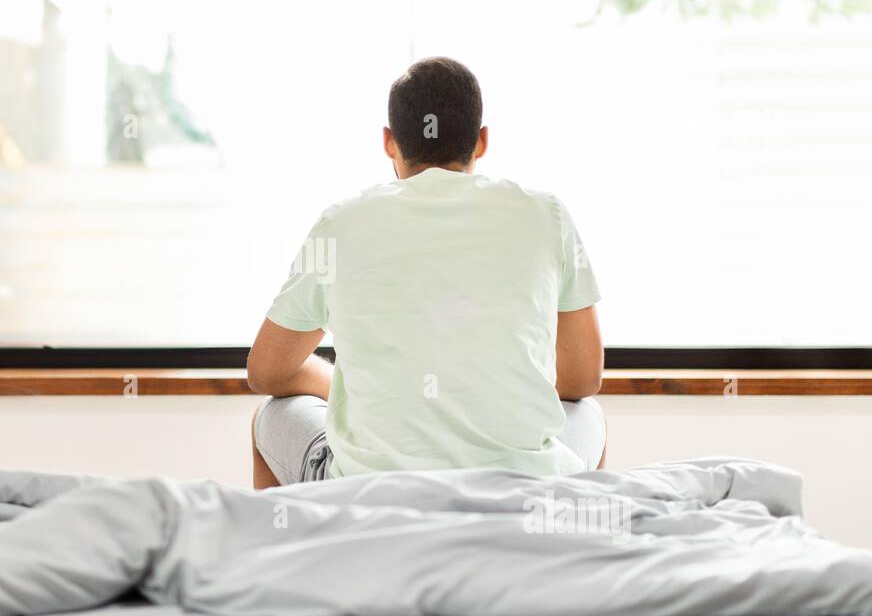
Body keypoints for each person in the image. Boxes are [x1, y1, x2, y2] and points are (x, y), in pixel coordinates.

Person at [248, 56, 605, 489]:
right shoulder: (547, 215)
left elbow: (266, 372)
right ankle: (572, 547)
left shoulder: (340, 225)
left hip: (368, 490)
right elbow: (583, 379)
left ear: (388, 142)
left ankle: (295, 554)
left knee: (268, 416)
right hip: (522, 488)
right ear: (482, 141)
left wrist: (341, 388)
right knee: (589, 414)